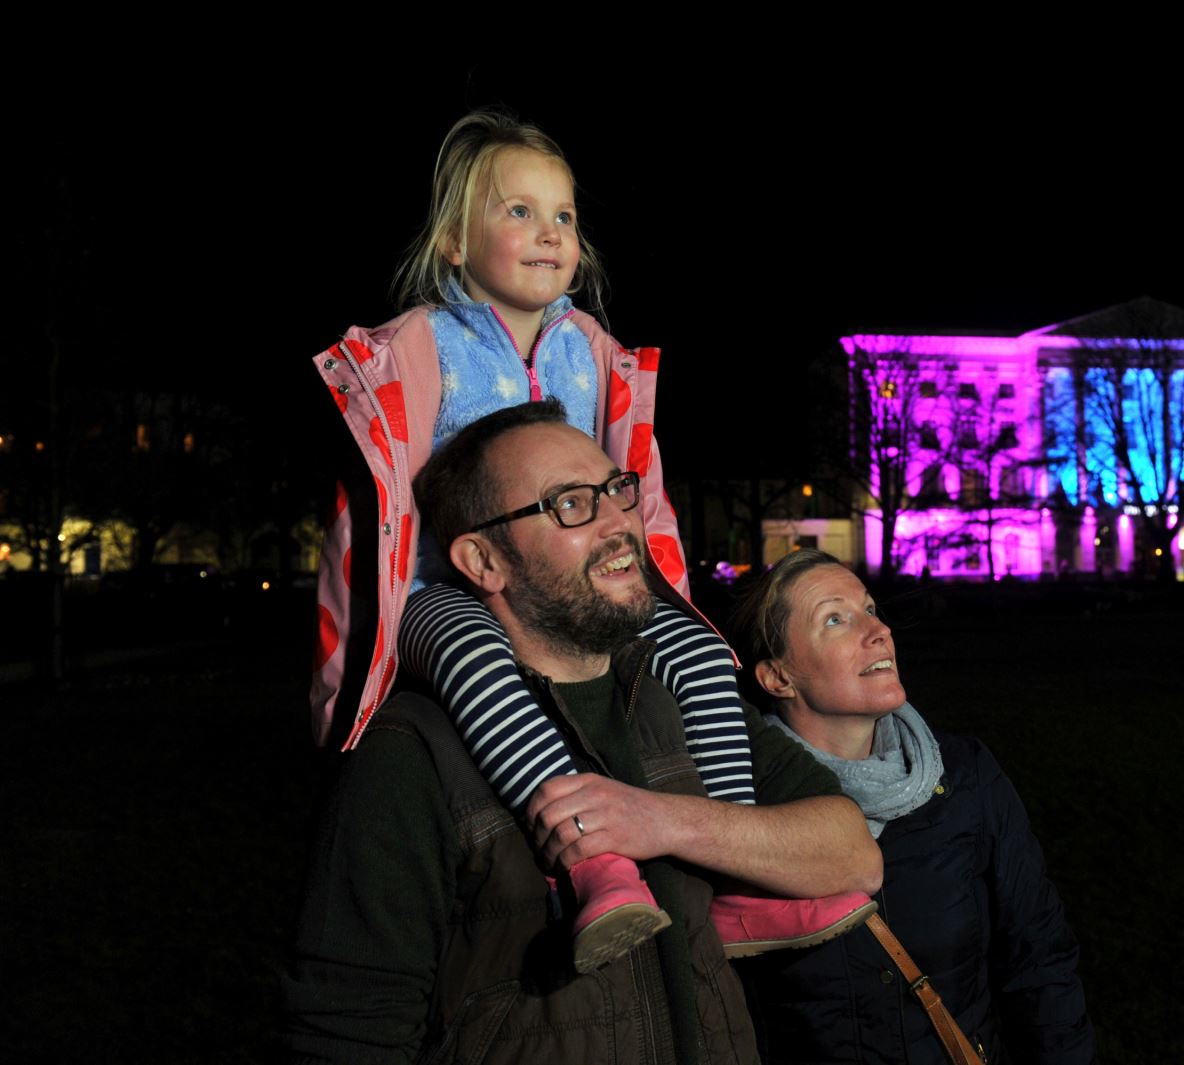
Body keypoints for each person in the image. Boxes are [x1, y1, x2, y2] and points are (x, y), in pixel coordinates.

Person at [309, 110, 869, 971]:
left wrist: (657, 589)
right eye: (519, 212)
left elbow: (633, 492)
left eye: (564, 216)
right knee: (473, 654)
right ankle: (595, 862)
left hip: (571, 580)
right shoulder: (423, 347)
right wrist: (354, 672)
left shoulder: (593, 353)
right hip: (442, 587)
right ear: (455, 243)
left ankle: (736, 880)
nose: (549, 234)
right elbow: (378, 509)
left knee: (696, 647)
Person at [283, 403, 883, 1064]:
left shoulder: (680, 702)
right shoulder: (410, 754)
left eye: (616, 490)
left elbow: (853, 855)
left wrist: (665, 822)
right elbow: (346, 1032)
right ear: (483, 559)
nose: (618, 522)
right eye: (569, 503)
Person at [729, 549, 1097, 1065]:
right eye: (835, 619)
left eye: (871, 609)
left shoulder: (966, 776)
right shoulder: (741, 811)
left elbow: (1039, 961)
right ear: (778, 678)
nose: (878, 631)